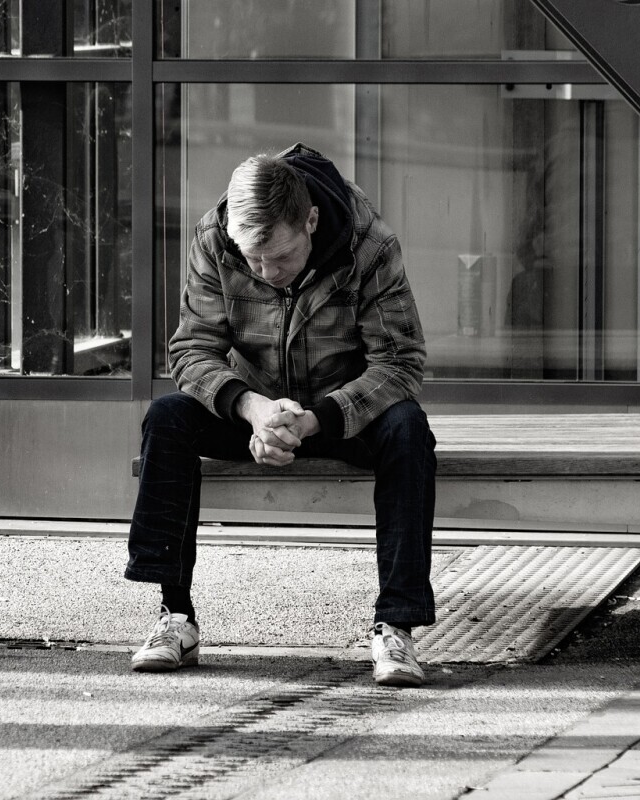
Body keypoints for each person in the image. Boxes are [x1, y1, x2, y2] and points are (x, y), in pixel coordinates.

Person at [125, 143, 436, 687]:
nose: (267, 272)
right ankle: (174, 616)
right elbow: (191, 350)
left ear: (312, 221)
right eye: (253, 259)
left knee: (409, 427)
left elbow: (400, 362)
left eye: (282, 257)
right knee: (167, 417)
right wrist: (252, 409)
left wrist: (315, 419)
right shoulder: (215, 238)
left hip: (342, 414)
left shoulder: (371, 245)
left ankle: (398, 628)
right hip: (255, 409)